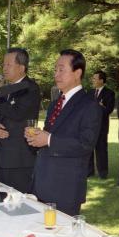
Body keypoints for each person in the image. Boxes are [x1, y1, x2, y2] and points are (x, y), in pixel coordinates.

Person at [25, 49, 102, 215]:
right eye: (55, 70)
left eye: (61, 69)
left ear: (77, 73)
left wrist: (49, 139)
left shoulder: (89, 106)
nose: (56, 74)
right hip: (41, 183)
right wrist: (37, 138)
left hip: (65, 189)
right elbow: (50, 136)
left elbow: (85, 144)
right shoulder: (56, 104)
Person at [0, 48, 41, 193]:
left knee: (18, 204)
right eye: (4, 65)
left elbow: (18, 113)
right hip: (2, 156)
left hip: (20, 159)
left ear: (21, 67)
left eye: (9, 64)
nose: (4, 68)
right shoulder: (7, 89)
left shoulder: (30, 88)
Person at [87, 70, 115, 179]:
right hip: (89, 127)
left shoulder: (109, 93)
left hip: (101, 127)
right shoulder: (89, 93)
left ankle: (103, 173)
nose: (92, 80)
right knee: (89, 149)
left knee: (101, 150)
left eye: (95, 78)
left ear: (101, 80)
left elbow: (109, 110)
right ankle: (89, 171)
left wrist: (100, 106)